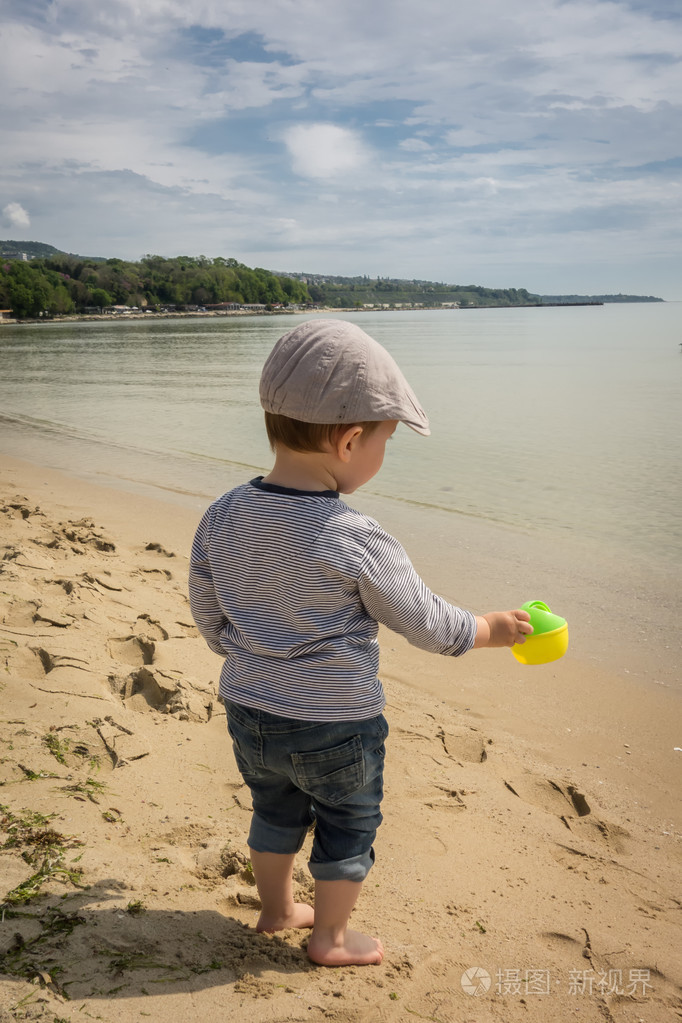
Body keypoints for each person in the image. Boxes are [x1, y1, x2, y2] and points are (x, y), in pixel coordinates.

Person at [189, 319, 532, 967]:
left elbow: (206, 600)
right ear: (350, 440)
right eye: (386, 440)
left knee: (273, 811)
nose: (383, 453)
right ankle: (330, 937)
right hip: (337, 723)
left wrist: (235, 649)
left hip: (250, 710)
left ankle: (277, 909)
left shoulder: (224, 511)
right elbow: (427, 622)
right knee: (348, 824)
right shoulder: (356, 536)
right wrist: (489, 629)